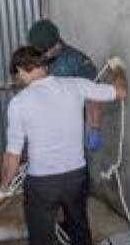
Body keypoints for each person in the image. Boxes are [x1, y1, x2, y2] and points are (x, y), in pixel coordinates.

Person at [0, 46, 127, 245]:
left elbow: (13, 153)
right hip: (75, 177)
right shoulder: (75, 86)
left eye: (17, 75)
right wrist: (118, 68)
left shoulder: (20, 103)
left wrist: (3, 186)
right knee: (80, 232)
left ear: (22, 70)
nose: (18, 80)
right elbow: (119, 92)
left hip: (42, 183)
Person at [27, 18, 106, 152]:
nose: (41, 55)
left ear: (56, 45)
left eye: (44, 51)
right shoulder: (36, 58)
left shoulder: (77, 61)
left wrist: (95, 128)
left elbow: (95, 95)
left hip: (69, 133)